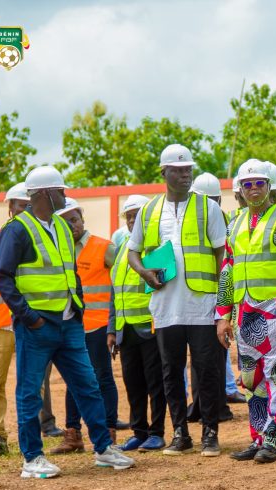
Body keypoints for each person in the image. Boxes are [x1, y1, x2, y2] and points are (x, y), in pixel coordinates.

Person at [0, 166, 134, 478]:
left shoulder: (60, 225)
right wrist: (30, 318)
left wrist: (77, 307)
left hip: (70, 324)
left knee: (88, 385)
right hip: (37, 327)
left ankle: (103, 448)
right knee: (30, 392)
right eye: (60, 191)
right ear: (45, 194)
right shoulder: (17, 230)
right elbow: (3, 279)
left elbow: (70, 271)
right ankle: (32, 458)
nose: (64, 195)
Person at [127, 144, 226, 457]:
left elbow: (222, 255)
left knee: (207, 370)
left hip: (202, 305)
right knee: (171, 371)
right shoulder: (149, 211)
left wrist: (223, 302)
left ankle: (210, 433)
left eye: (188, 170)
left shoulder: (208, 208)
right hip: (165, 305)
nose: (185, 175)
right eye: (178, 170)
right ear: (164, 172)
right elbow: (133, 252)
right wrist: (143, 272)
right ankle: (180, 433)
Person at [0, 183, 62, 459]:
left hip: (30, 322)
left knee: (34, 382)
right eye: (21, 205)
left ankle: (31, 437)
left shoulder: (42, 236)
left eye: (28, 205)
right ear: (10, 207)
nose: (25, 210)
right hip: (1, 323)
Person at [217, 159, 276, 464]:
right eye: (247, 184)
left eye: (259, 183)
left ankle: (272, 439)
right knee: (251, 380)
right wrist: (223, 315)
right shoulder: (234, 223)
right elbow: (228, 268)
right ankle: (258, 437)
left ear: (269, 186)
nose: (253, 189)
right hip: (245, 312)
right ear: (240, 189)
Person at [46, 198, 119, 454]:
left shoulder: (104, 247)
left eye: (74, 220)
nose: (72, 225)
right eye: (65, 222)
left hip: (99, 326)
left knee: (103, 377)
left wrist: (114, 324)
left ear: (82, 219)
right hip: (72, 325)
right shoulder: (57, 250)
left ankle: (109, 431)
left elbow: (122, 278)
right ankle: (73, 433)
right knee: (73, 379)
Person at [107, 195, 167, 453]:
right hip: (126, 329)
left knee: (155, 383)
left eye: (136, 215)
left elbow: (163, 285)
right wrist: (112, 329)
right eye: (128, 216)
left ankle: (157, 433)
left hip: (150, 326)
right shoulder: (123, 248)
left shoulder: (155, 247)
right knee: (133, 384)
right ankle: (138, 432)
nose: (132, 220)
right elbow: (115, 292)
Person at [186, 173, 244, 425]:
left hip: (209, 296)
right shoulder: (220, 219)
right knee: (209, 357)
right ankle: (209, 407)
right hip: (207, 296)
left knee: (207, 358)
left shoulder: (196, 218)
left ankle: (208, 407)